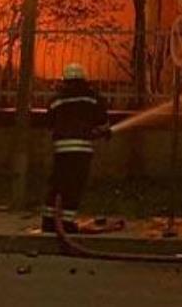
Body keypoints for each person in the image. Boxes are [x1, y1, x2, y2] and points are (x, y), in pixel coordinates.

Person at [41, 62, 108, 234]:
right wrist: (102, 131)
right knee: (74, 186)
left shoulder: (56, 100)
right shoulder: (92, 98)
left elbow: (48, 123)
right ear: (84, 79)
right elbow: (101, 122)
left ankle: (48, 222)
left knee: (57, 184)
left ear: (65, 80)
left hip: (61, 150)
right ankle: (67, 222)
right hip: (82, 149)